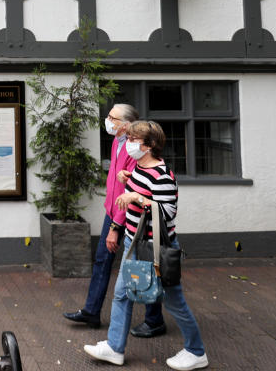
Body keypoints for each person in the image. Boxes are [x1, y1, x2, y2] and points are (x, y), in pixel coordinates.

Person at [84, 121, 208, 371]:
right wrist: (129, 180)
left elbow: (167, 213)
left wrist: (136, 196)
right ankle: (115, 348)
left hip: (154, 249)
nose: (128, 143)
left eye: (133, 139)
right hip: (134, 243)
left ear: (150, 145)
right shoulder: (140, 168)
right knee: (121, 295)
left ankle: (196, 352)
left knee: (174, 302)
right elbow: (144, 192)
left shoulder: (163, 175)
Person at [63, 104, 165, 336]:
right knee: (102, 262)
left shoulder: (134, 151)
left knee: (142, 267)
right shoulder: (116, 142)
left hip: (128, 218)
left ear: (126, 124)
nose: (108, 120)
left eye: (113, 117)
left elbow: (132, 190)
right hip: (113, 212)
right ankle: (91, 311)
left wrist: (115, 227)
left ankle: (155, 319)